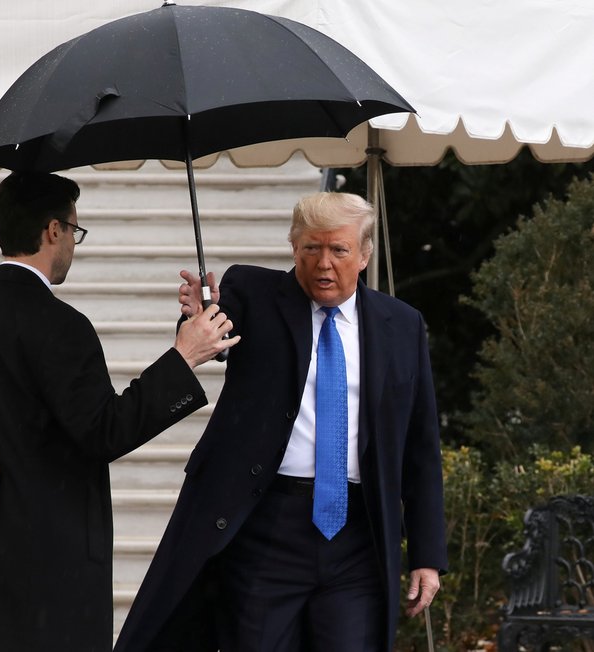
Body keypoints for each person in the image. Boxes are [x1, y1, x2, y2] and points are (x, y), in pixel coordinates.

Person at [0, 171, 238, 652]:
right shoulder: (61, 326)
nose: (73, 244)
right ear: (53, 231)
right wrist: (184, 357)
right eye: (74, 231)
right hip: (46, 575)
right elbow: (105, 431)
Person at [114, 192, 447, 652]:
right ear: (293, 248)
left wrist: (428, 555)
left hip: (359, 538)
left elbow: (421, 445)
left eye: (338, 249)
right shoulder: (253, 293)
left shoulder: (402, 324)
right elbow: (218, 335)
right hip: (267, 528)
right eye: (311, 248)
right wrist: (198, 316)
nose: (323, 263)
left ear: (365, 255)